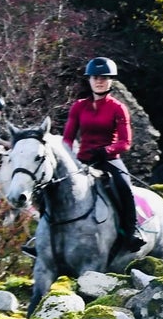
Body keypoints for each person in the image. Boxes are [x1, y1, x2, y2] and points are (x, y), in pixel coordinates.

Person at [62, 57, 145, 252]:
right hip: (82, 160)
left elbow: (125, 142)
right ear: (89, 80)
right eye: (95, 77)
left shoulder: (118, 108)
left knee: (125, 187)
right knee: (53, 186)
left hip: (108, 159)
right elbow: (67, 139)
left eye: (104, 77)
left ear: (111, 80)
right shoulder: (78, 106)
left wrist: (106, 151)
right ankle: (42, 237)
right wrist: (69, 157)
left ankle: (131, 231)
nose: (99, 81)